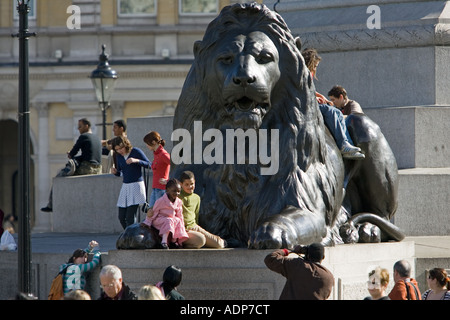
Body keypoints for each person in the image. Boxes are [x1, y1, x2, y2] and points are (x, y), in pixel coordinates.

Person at [301, 48, 364, 160]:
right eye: (315, 65)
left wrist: (321, 97)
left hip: (311, 101)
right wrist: (316, 99)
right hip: (306, 104)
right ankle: (343, 144)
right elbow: (303, 91)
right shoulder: (302, 73)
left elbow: (311, 90)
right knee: (330, 111)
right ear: (309, 62)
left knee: (337, 113)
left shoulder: (308, 74)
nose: (315, 68)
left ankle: (346, 144)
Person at [41, 118, 102, 212]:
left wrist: (70, 154)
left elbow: (74, 151)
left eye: (80, 126)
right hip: (98, 169)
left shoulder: (84, 136)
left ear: (86, 126)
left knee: (59, 177)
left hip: (87, 169)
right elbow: (89, 155)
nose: (78, 129)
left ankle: (51, 205)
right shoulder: (96, 138)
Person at [264, 243, 334, 300]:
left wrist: (289, 251)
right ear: (323, 257)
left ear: (308, 255)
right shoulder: (329, 277)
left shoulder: (297, 266)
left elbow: (270, 259)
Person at [111, 136, 151, 229]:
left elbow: (149, 164)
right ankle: (128, 234)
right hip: (126, 186)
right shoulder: (119, 156)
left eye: (121, 148)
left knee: (130, 217)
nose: (120, 151)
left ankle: (131, 236)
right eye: (117, 149)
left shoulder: (135, 151)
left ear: (126, 144)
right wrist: (115, 172)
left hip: (136, 185)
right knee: (121, 217)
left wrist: (136, 160)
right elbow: (121, 172)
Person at [179, 171, 226, 249]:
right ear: (181, 184)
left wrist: (196, 229)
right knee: (200, 240)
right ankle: (180, 243)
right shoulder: (178, 196)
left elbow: (196, 215)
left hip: (194, 226)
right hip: (182, 229)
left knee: (219, 244)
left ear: (194, 182)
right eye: (186, 184)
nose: (190, 187)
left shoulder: (196, 198)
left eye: (191, 184)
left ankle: (226, 242)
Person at [142, 178, 189, 249]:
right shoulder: (160, 201)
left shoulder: (179, 202)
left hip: (171, 220)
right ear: (167, 190)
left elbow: (180, 215)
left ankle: (174, 240)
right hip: (159, 220)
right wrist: (148, 222)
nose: (176, 193)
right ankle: (164, 241)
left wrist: (183, 226)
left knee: (178, 220)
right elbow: (154, 212)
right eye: (174, 191)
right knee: (168, 220)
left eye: (178, 191)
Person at [143, 131, 170, 212]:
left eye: (147, 143)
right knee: (151, 212)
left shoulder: (163, 154)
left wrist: (168, 181)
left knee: (158, 213)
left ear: (154, 142)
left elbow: (176, 166)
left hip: (161, 189)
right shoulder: (157, 154)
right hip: (155, 188)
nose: (146, 146)